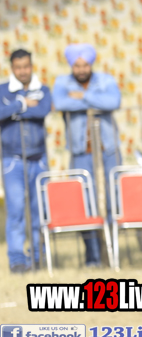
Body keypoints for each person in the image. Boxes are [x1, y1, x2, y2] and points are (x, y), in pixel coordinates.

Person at [52, 44, 122, 267]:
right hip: (80, 152)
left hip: (108, 150)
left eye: (85, 65)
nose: (81, 69)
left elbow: (113, 102)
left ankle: (112, 254)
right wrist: (95, 100)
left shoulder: (106, 80)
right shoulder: (62, 83)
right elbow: (60, 102)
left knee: (112, 201)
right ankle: (93, 257)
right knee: (84, 203)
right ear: (71, 66)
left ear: (91, 64)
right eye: (77, 65)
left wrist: (83, 96)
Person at [0, 49, 51, 273]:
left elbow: (43, 110)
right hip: (12, 161)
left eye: (26, 67)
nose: (23, 71)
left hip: (38, 160)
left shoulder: (43, 89)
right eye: (18, 67)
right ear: (12, 68)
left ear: (31, 66)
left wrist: (12, 111)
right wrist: (21, 104)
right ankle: (17, 261)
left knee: (39, 211)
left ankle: (38, 257)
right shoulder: (2, 90)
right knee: (16, 211)